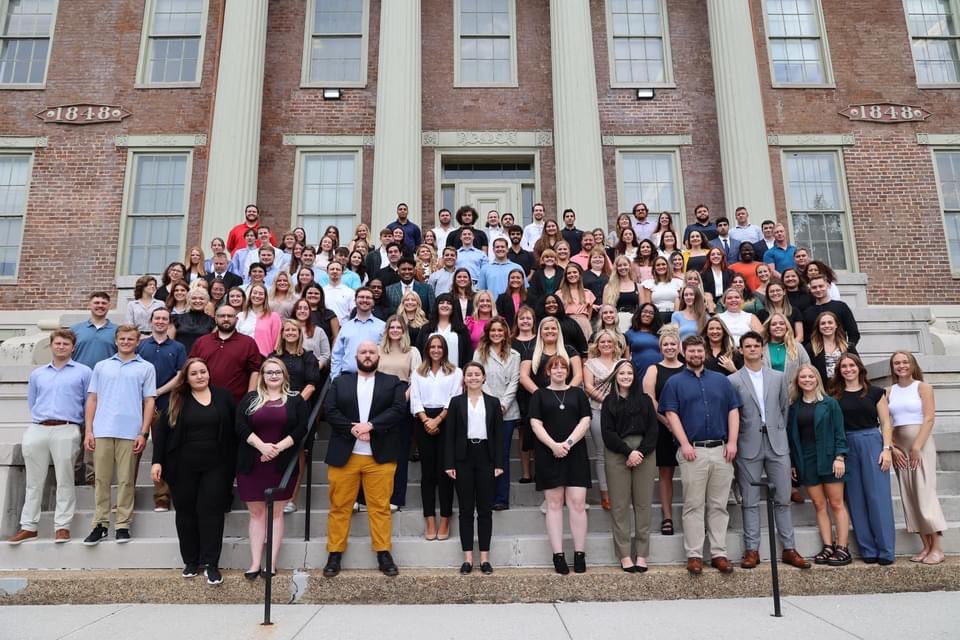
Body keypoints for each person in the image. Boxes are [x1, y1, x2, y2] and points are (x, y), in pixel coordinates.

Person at [322, 342, 407, 577]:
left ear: (378, 356)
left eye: (371, 352)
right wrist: (353, 429)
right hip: (345, 456)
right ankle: (335, 553)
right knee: (339, 507)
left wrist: (371, 425)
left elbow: (398, 409)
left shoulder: (392, 383)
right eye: (363, 352)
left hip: (379, 457)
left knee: (380, 507)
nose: (367, 356)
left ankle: (383, 552)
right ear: (355, 356)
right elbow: (330, 411)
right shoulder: (341, 382)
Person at [659, 335, 742, 575]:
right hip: (692, 451)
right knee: (693, 505)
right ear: (684, 354)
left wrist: (733, 442)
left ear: (705, 353)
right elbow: (671, 415)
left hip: (721, 450)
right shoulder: (674, 383)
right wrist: (684, 443)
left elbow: (733, 410)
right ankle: (694, 554)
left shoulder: (721, 380)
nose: (696, 355)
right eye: (691, 351)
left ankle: (719, 553)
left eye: (699, 351)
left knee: (719, 505)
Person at [150, 358, 237, 584]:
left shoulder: (224, 397)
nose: (200, 376)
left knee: (212, 513)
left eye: (203, 372)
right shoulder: (176, 399)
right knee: (186, 513)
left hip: (216, 465)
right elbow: (161, 435)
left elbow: (235, 430)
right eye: (194, 373)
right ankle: (190, 561)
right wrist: (156, 461)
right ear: (186, 378)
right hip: (182, 465)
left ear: (209, 374)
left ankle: (211, 564)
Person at [729, 332, 811, 570]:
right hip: (748, 444)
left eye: (756, 345)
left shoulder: (777, 377)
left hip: (777, 443)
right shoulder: (733, 380)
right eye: (748, 346)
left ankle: (789, 548)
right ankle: (751, 549)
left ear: (762, 349)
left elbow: (784, 409)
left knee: (783, 497)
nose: (752, 349)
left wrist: (776, 431)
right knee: (750, 500)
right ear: (741, 350)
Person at [8, 330, 90, 545]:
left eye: (66, 344)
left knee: (65, 479)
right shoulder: (38, 374)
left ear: (73, 348)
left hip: (67, 427)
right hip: (38, 428)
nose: (61, 347)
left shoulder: (83, 372)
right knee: (33, 481)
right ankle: (28, 526)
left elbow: (88, 403)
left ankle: (62, 526)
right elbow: (33, 401)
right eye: (58, 343)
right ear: (51, 346)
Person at [82, 325, 157, 545]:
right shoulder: (102, 366)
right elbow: (93, 398)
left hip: (130, 431)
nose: (126, 342)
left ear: (137, 341)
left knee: (126, 480)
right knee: (102, 479)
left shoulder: (146, 367)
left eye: (130, 339)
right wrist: (89, 430)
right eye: (122, 338)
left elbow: (149, 401)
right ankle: (100, 524)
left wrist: (143, 432)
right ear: (116, 340)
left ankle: (123, 524)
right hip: (102, 429)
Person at [235, 359, 308, 578]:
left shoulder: (295, 400)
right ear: (262, 375)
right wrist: (261, 446)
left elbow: (301, 428)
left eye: (278, 372)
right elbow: (239, 425)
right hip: (252, 463)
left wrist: (277, 449)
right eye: (269, 372)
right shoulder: (250, 398)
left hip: (281, 464)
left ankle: (271, 564)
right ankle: (255, 563)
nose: (273, 375)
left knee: (276, 514)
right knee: (256, 514)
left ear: (284, 375)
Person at [831, 353, 897, 565]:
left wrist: (886, 449)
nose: (848, 369)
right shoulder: (835, 395)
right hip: (847, 444)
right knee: (856, 498)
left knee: (878, 498)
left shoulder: (875, 392)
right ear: (839, 371)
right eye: (844, 366)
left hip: (871, 441)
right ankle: (867, 549)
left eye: (851, 365)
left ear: (859, 368)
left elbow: (886, 422)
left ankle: (886, 550)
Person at [529, 355, 592, 574]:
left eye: (562, 367)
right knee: (554, 504)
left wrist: (568, 443)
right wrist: (554, 446)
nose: (558, 371)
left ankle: (579, 554)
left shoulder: (578, 393)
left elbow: (585, 420)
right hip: (549, 454)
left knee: (577, 503)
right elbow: (535, 424)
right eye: (554, 367)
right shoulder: (539, 395)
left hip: (575, 453)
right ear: (548, 372)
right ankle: (558, 555)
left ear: (567, 371)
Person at [887, 351, 947, 565]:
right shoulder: (888, 391)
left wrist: (917, 446)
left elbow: (929, 418)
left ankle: (937, 548)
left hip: (920, 444)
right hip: (899, 447)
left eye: (905, 362)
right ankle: (926, 545)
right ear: (892, 367)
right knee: (910, 495)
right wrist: (892, 447)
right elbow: (887, 422)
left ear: (912, 365)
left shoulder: (923, 387)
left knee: (924, 493)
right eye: (897, 363)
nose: (901, 365)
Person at [443, 362, 504, 575]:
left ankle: (485, 559)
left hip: (486, 456)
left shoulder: (494, 403)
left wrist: (499, 464)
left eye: (477, 374)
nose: (473, 378)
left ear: (484, 377)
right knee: (466, 510)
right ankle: (468, 558)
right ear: (464, 379)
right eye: (469, 374)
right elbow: (449, 435)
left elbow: (498, 436)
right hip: (463, 457)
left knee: (485, 510)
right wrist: (449, 463)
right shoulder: (456, 402)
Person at [787, 364, 851, 566]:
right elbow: (792, 438)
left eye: (811, 376)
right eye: (803, 377)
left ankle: (842, 547)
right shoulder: (794, 407)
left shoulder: (830, 404)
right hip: (807, 461)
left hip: (830, 459)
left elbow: (840, 432)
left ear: (817, 379)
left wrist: (840, 457)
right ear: (798, 381)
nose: (807, 380)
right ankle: (827, 546)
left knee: (836, 504)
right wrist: (794, 464)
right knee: (819, 505)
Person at [601, 359, 658, 572]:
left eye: (630, 373)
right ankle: (624, 554)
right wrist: (628, 452)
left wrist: (640, 452)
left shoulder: (644, 400)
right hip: (618, 453)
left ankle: (642, 554)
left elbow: (653, 430)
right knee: (620, 506)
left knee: (643, 505)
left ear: (635, 377)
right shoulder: (609, 401)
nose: (626, 377)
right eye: (622, 373)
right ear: (616, 376)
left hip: (644, 452)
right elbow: (607, 432)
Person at [410, 335, 463, 541]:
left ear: (445, 350)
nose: (436, 350)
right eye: (432, 347)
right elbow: (415, 399)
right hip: (423, 422)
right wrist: (426, 421)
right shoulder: (418, 372)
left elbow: (455, 397)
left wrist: (438, 420)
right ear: (427, 349)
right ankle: (430, 518)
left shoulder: (455, 371)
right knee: (428, 474)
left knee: (445, 473)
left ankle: (445, 518)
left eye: (439, 347)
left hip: (446, 421)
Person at [136, 307, 186, 512]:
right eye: (157, 318)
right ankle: (126, 495)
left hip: (166, 404)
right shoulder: (140, 345)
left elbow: (180, 375)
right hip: (139, 404)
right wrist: (146, 393)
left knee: (162, 449)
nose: (160, 321)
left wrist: (157, 391)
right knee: (133, 451)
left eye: (164, 319)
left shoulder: (177, 347)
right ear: (151, 321)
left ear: (169, 323)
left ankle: (162, 496)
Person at [470, 318, 519, 511]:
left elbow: (514, 381)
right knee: (486, 455)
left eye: (500, 330)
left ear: (505, 333)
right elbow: (477, 378)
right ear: (488, 332)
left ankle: (501, 498)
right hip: (485, 409)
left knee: (503, 454)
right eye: (493, 330)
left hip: (508, 411)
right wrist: (493, 404)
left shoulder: (514, 355)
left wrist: (504, 403)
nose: (497, 333)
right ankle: (486, 496)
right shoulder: (479, 353)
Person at [642, 328, 685, 536]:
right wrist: (667, 421)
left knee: (691, 474)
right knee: (666, 473)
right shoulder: (654, 369)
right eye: (665, 344)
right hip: (662, 427)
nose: (669, 347)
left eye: (673, 344)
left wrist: (680, 425)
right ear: (660, 348)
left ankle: (691, 516)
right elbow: (649, 398)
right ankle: (667, 517)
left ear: (679, 347)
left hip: (688, 429)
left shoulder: (687, 368)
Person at [583, 330, 625, 511]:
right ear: (597, 345)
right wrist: (607, 401)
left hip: (621, 413)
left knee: (619, 452)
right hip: (598, 410)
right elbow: (588, 387)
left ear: (615, 344)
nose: (606, 344)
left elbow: (627, 384)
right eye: (602, 342)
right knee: (601, 453)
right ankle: (605, 494)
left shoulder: (622, 363)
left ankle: (620, 492)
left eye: (609, 341)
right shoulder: (590, 364)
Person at [189, 305, 263, 402]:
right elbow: (190, 368)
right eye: (222, 316)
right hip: (203, 400)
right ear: (215, 319)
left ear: (236, 319)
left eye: (230, 316)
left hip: (236, 401)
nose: (226, 319)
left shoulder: (248, 342)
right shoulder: (202, 342)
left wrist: (249, 396)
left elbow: (255, 371)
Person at [330, 287, 386, 378]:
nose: (364, 300)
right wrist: (335, 378)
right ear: (355, 301)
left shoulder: (383, 327)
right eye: (361, 297)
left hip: (375, 377)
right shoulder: (346, 327)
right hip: (347, 377)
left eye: (368, 298)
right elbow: (337, 355)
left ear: (373, 302)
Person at [512, 305, 538, 484]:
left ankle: (540, 469)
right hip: (519, 391)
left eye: (528, 318)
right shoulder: (510, 341)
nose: (525, 321)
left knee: (538, 430)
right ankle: (526, 473)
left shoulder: (540, 340)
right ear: (517, 322)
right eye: (522, 318)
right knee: (523, 432)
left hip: (539, 388)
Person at [803, 275, 860, 347]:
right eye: (814, 287)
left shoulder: (841, 306)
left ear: (827, 286)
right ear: (810, 289)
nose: (818, 289)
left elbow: (853, 332)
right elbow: (807, 337)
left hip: (841, 352)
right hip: (817, 354)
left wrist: (848, 349)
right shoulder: (807, 312)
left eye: (821, 286)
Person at [806, 310, 857, 385]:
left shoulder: (848, 347)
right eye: (823, 323)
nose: (827, 326)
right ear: (818, 327)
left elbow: (858, 368)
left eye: (830, 322)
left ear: (836, 325)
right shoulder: (811, 348)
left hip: (845, 388)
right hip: (822, 390)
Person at [762, 311, 810, 383]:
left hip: (793, 392)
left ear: (787, 327)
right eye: (774, 324)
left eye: (781, 323)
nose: (778, 326)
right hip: (769, 391)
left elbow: (808, 369)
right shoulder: (761, 349)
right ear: (768, 328)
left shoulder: (797, 347)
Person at [237, 284, 282, 357]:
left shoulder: (273, 316)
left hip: (265, 358)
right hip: (242, 357)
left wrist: (273, 357)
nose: (257, 296)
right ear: (250, 295)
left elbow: (277, 341)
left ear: (265, 297)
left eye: (261, 294)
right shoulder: (240, 316)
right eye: (254, 293)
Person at [559, 263, 595, 344]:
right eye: (569, 273)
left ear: (580, 275)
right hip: (567, 324)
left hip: (584, 324)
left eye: (575, 272)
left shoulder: (588, 293)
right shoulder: (559, 293)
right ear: (565, 276)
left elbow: (589, 314)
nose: (572, 275)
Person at [603, 255, 641, 333]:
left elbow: (642, 308)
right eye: (619, 265)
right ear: (616, 268)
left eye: (625, 265)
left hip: (634, 323)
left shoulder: (638, 286)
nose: (622, 267)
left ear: (630, 266)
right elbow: (605, 309)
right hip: (616, 323)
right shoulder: (609, 287)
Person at [171, 288, 215, 354]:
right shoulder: (176, 318)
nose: (197, 301)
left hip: (201, 359)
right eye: (194, 298)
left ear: (206, 301)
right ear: (188, 300)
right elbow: (170, 342)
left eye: (201, 298)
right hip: (180, 357)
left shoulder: (212, 321)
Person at [641, 256, 683, 324]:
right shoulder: (649, 284)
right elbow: (647, 305)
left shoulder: (678, 282)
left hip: (675, 316)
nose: (661, 267)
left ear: (668, 266)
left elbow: (681, 302)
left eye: (663, 264)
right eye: (658, 265)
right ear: (654, 268)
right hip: (657, 317)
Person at [624, 303, 662, 377]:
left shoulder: (660, 333)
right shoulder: (629, 334)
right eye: (645, 311)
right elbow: (627, 359)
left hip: (659, 371)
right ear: (639, 313)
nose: (647, 315)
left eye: (651, 313)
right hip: (639, 371)